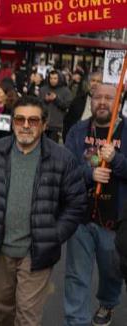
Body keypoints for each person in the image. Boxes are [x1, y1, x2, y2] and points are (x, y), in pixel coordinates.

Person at [0, 96, 87, 326]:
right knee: (3, 310)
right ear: (12, 122)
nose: (25, 125)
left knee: (27, 317)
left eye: (33, 120)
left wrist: (53, 235)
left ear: (44, 124)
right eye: (20, 119)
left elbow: (76, 204)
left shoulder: (62, 159)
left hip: (37, 253)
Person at [64, 83, 127, 326]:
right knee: (76, 276)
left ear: (118, 102)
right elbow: (66, 170)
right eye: (97, 97)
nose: (102, 102)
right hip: (81, 216)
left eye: (109, 98)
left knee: (111, 272)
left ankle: (108, 303)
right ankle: (75, 321)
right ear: (91, 100)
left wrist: (117, 161)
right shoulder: (78, 131)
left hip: (115, 221)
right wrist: (90, 174)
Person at [63, 71, 103, 140]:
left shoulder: (105, 104)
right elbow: (68, 122)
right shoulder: (78, 101)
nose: (95, 84)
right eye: (93, 80)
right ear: (88, 83)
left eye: (98, 81)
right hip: (77, 139)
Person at [39, 69, 72, 143]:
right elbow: (37, 105)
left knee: (52, 147)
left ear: (59, 78)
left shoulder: (65, 91)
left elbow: (67, 106)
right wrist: (45, 100)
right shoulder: (43, 89)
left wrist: (56, 99)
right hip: (43, 123)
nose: (52, 80)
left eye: (55, 78)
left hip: (56, 125)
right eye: (51, 78)